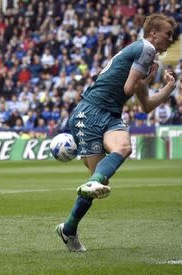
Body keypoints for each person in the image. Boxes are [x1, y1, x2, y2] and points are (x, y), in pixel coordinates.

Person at [55, 13, 177, 252]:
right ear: (153, 33)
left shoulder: (147, 59)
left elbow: (146, 106)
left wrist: (168, 88)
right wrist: (144, 79)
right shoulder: (146, 48)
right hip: (88, 113)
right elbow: (129, 87)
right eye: (167, 34)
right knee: (98, 181)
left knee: (121, 152)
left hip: (110, 115)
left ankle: (68, 229)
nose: (170, 39)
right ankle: (69, 229)